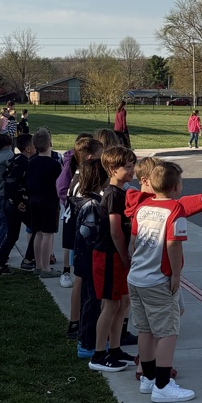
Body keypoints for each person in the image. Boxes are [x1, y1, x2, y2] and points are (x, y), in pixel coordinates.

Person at [126, 161, 194, 402]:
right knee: (167, 331)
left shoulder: (142, 207)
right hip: (158, 279)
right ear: (176, 187)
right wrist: (175, 274)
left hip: (136, 277)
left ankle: (148, 377)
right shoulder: (175, 210)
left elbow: (133, 241)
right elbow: (173, 243)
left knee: (144, 329)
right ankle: (163, 386)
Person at [88, 145, 137, 372]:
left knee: (123, 303)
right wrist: (125, 256)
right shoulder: (112, 195)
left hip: (118, 256)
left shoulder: (123, 192)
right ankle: (98, 354)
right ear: (112, 168)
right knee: (110, 305)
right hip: (109, 255)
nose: (132, 171)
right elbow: (115, 230)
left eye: (133, 166)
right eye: (128, 167)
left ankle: (115, 348)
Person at [61, 137, 104, 341]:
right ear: (89, 158)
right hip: (79, 233)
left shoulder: (77, 175)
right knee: (82, 280)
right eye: (100, 155)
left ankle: (76, 321)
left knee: (81, 278)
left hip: (74, 229)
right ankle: (78, 322)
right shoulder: (84, 180)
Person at [73, 157, 110, 360]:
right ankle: (87, 343)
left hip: (83, 258)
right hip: (90, 259)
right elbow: (89, 233)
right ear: (99, 179)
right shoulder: (93, 205)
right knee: (92, 303)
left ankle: (87, 338)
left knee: (90, 300)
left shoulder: (83, 200)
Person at [0, 134, 38, 275]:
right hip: (16, 204)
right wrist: (18, 200)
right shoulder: (23, 162)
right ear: (29, 148)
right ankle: (29, 259)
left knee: (12, 235)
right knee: (37, 229)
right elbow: (11, 181)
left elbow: (5, 175)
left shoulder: (15, 159)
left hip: (8, 203)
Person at [56, 132, 96, 287]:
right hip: (72, 206)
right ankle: (66, 271)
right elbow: (61, 186)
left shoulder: (90, 167)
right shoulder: (71, 163)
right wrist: (68, 201)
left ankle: (80, 267)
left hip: (84, 207)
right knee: (70, 240)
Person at [27, 127, 62, 275]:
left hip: (34, 199)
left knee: (38, 232)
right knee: (48, 233)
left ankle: (39, 265)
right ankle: (46, 268)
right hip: (49, 201)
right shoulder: (55, 164)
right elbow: (60, 186)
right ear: (50, 143)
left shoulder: (31, 162)